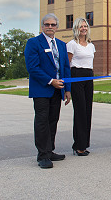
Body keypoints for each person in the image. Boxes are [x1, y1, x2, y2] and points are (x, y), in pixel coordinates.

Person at [25, 13, 71, 168]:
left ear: (57, 27)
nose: (50, 27)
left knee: (53, 120)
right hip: (42, 90)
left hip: (58, 91)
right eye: (47, 24)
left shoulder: (61, 45)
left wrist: (67, 90)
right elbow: (32, 68)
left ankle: (50, 150)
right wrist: (51, 81)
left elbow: (65, 68)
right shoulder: (33, 43)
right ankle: (42, 155)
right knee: (42, 122)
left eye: (53, 25)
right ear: (42, 26)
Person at [67, 18, 95, 156]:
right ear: (76, 29)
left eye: (85, 26)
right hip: (77, 75)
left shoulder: (91, 45)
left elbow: (90, 63)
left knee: (88, 110)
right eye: (80, 26)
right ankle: (78, 145)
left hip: (89, 76)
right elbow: (68, 64)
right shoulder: (72, 44)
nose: (83, 28)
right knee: (80, 111)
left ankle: (84, 143)